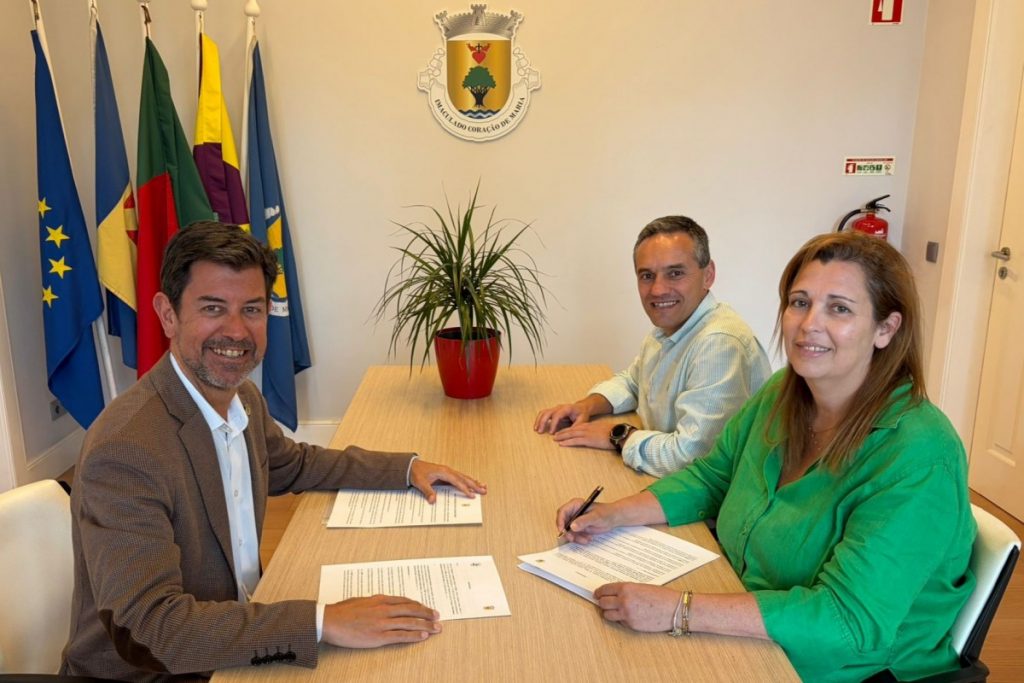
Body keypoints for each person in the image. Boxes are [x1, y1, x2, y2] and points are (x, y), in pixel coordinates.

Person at [62, 222, 487, 681]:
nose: (236, 330)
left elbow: (294, 464)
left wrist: (405, 469)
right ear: (168, 314)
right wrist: (322, 622)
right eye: (212, 308)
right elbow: (151, 631)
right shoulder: (127, 449)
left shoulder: (240, 398)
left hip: (233, 638)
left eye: (252, 309)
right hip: (160, 673)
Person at [555, 232, 976, 682]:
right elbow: (713, 478)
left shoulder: (919, 453)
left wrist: (680, 610)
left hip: (843, 668)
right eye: (800, 302)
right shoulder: (783, 393)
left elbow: (848, 624)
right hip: (749, 625)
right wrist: (613, 515)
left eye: (839, 308)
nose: (809, 323)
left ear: (885, 329)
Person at [534, 216, 771, 476]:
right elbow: (634, 382)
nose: (657, 290)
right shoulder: (671, 328)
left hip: (713, 499)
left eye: (675, 273)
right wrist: (586, 406)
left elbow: (692, 457)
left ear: (708, 275)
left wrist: (618, 435)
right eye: (647, 276)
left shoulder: (719, 344)